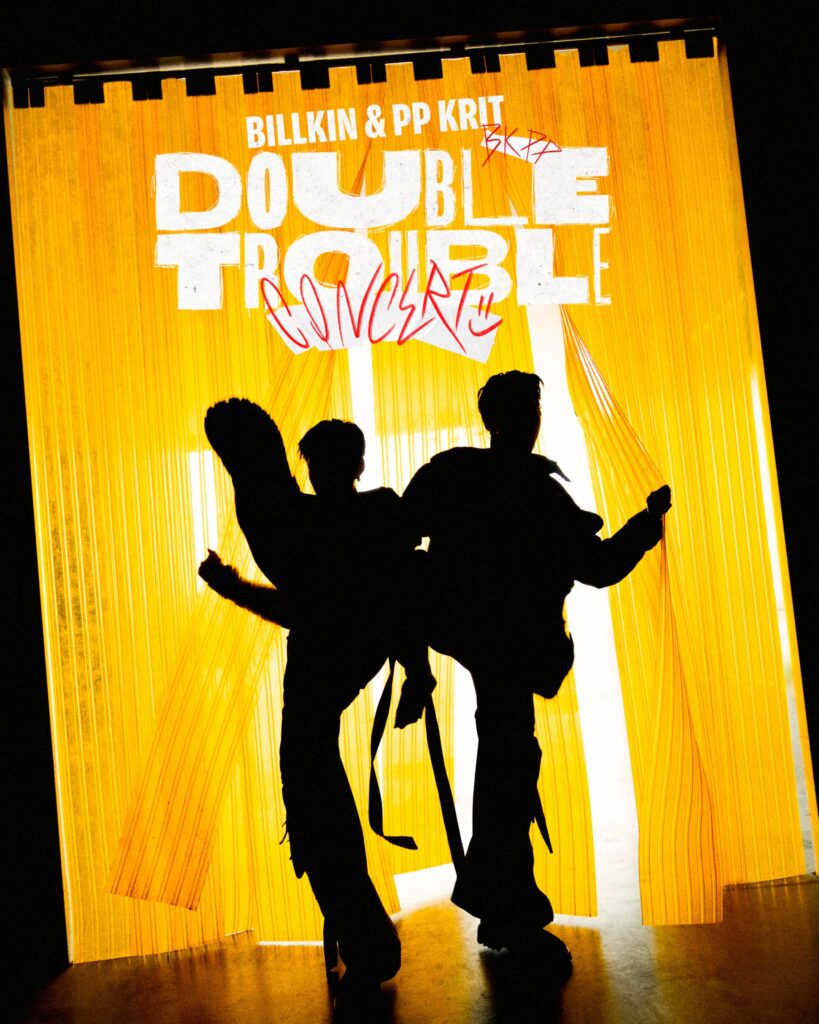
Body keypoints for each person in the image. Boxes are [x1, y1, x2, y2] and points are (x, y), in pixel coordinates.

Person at [400, 370, 672, 978]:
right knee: (510, 772)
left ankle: (503, 908)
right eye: (527, 410)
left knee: (508, 767)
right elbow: (598, 566)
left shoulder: (455, 475)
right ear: (515, 419)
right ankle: (510, 914)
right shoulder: (532, 490)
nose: (530, 421)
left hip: (484, 648)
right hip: (510, 652)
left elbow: (399, 539)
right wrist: (645, 525)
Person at [198, 400, 433, 1013]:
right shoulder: (375, 514)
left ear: (310, 467)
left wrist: (234, 588)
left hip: (324, 664)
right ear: (358, 464)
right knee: (314, 790)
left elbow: (308, 608)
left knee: (310, 792)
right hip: (354, 655)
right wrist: (417, 670)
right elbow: (400, 596)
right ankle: (359, 931)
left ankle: (366, 939)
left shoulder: (303, 523)